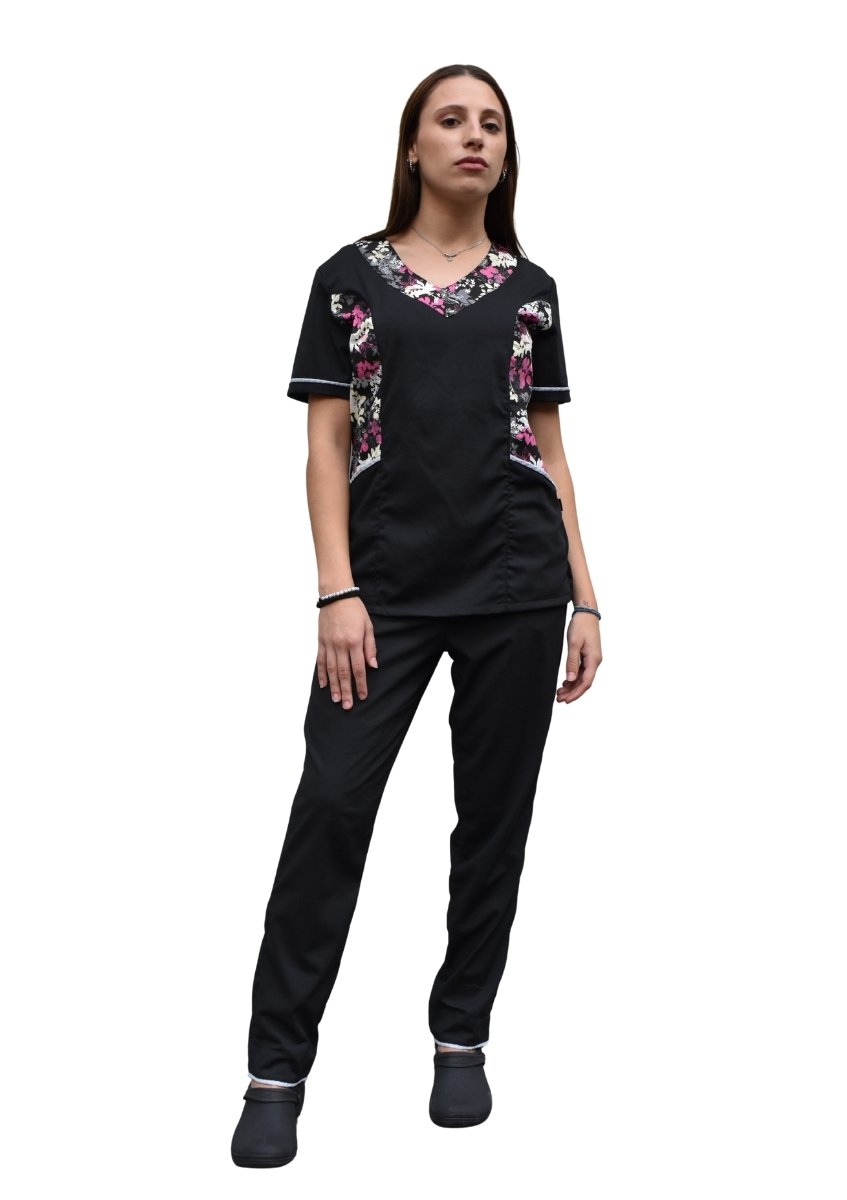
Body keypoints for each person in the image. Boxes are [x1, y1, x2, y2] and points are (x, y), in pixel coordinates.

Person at [231, 62, 602, 1168]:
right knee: (331, 808)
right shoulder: (348, 279)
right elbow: (324, 443)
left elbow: (549, 451)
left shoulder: (531, 290)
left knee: (493, 824)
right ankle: (275, 1068)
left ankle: (460, 1036)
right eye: (451, 120)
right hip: (383, 591)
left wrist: (586, 594)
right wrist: (335, 588)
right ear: (412, 145)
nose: (473, 136)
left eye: (491, 123)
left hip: (517, 583)